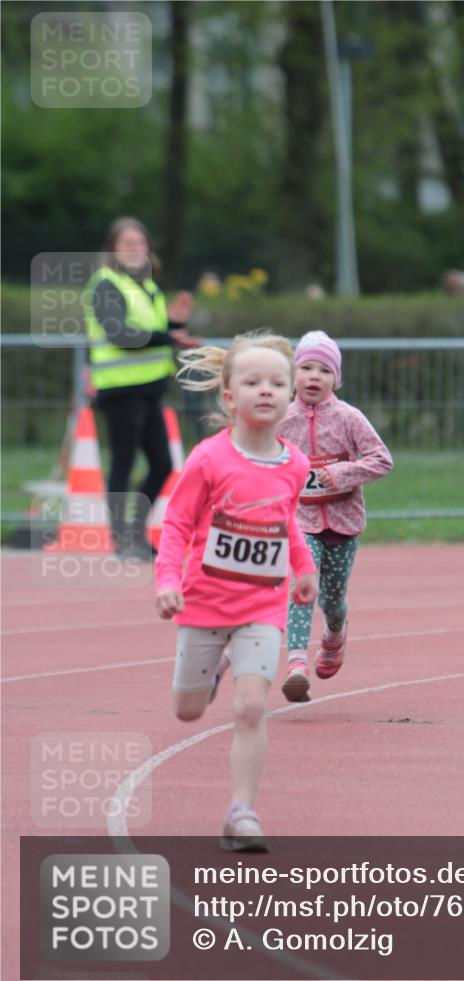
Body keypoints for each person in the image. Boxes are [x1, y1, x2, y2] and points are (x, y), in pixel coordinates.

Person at [154, 332, 318, 850]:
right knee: (187, 711)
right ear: (229, 397)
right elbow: (176, 526)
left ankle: (242, 813)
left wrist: (304, 566)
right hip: (203, 603)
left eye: (277, 383)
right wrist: (167, 582)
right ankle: (212, 669)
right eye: (252, 382)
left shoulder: (295, 464)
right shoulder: (208, 459)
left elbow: (287, 521)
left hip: (262, 606)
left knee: (252, 708)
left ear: (292, 395)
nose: (265, 391)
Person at [277, 331, 393, 704]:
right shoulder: (281, 418)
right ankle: (296, 666)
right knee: (301, 586)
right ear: (294, 374)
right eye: (306, 368)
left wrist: (342, 472)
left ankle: (334, 633)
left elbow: (382, 460)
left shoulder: (349, 418)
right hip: (301, 521)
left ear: (336, 379)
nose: (314, 377)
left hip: (342, 521)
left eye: (324, 370)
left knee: (333, 599)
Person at [85, 217, 200, 558]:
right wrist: (169, 335)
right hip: (120, 388)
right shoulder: (105, 283)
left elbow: (151, 329)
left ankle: (135, 534)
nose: (136, 249)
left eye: (141, 243)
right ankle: (122, 540)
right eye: (128, 243)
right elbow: (119, 333)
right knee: (123, 461)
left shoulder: (147, 286)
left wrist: (175, 324)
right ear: (113, 249)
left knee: (163, 464)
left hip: (149, 387)